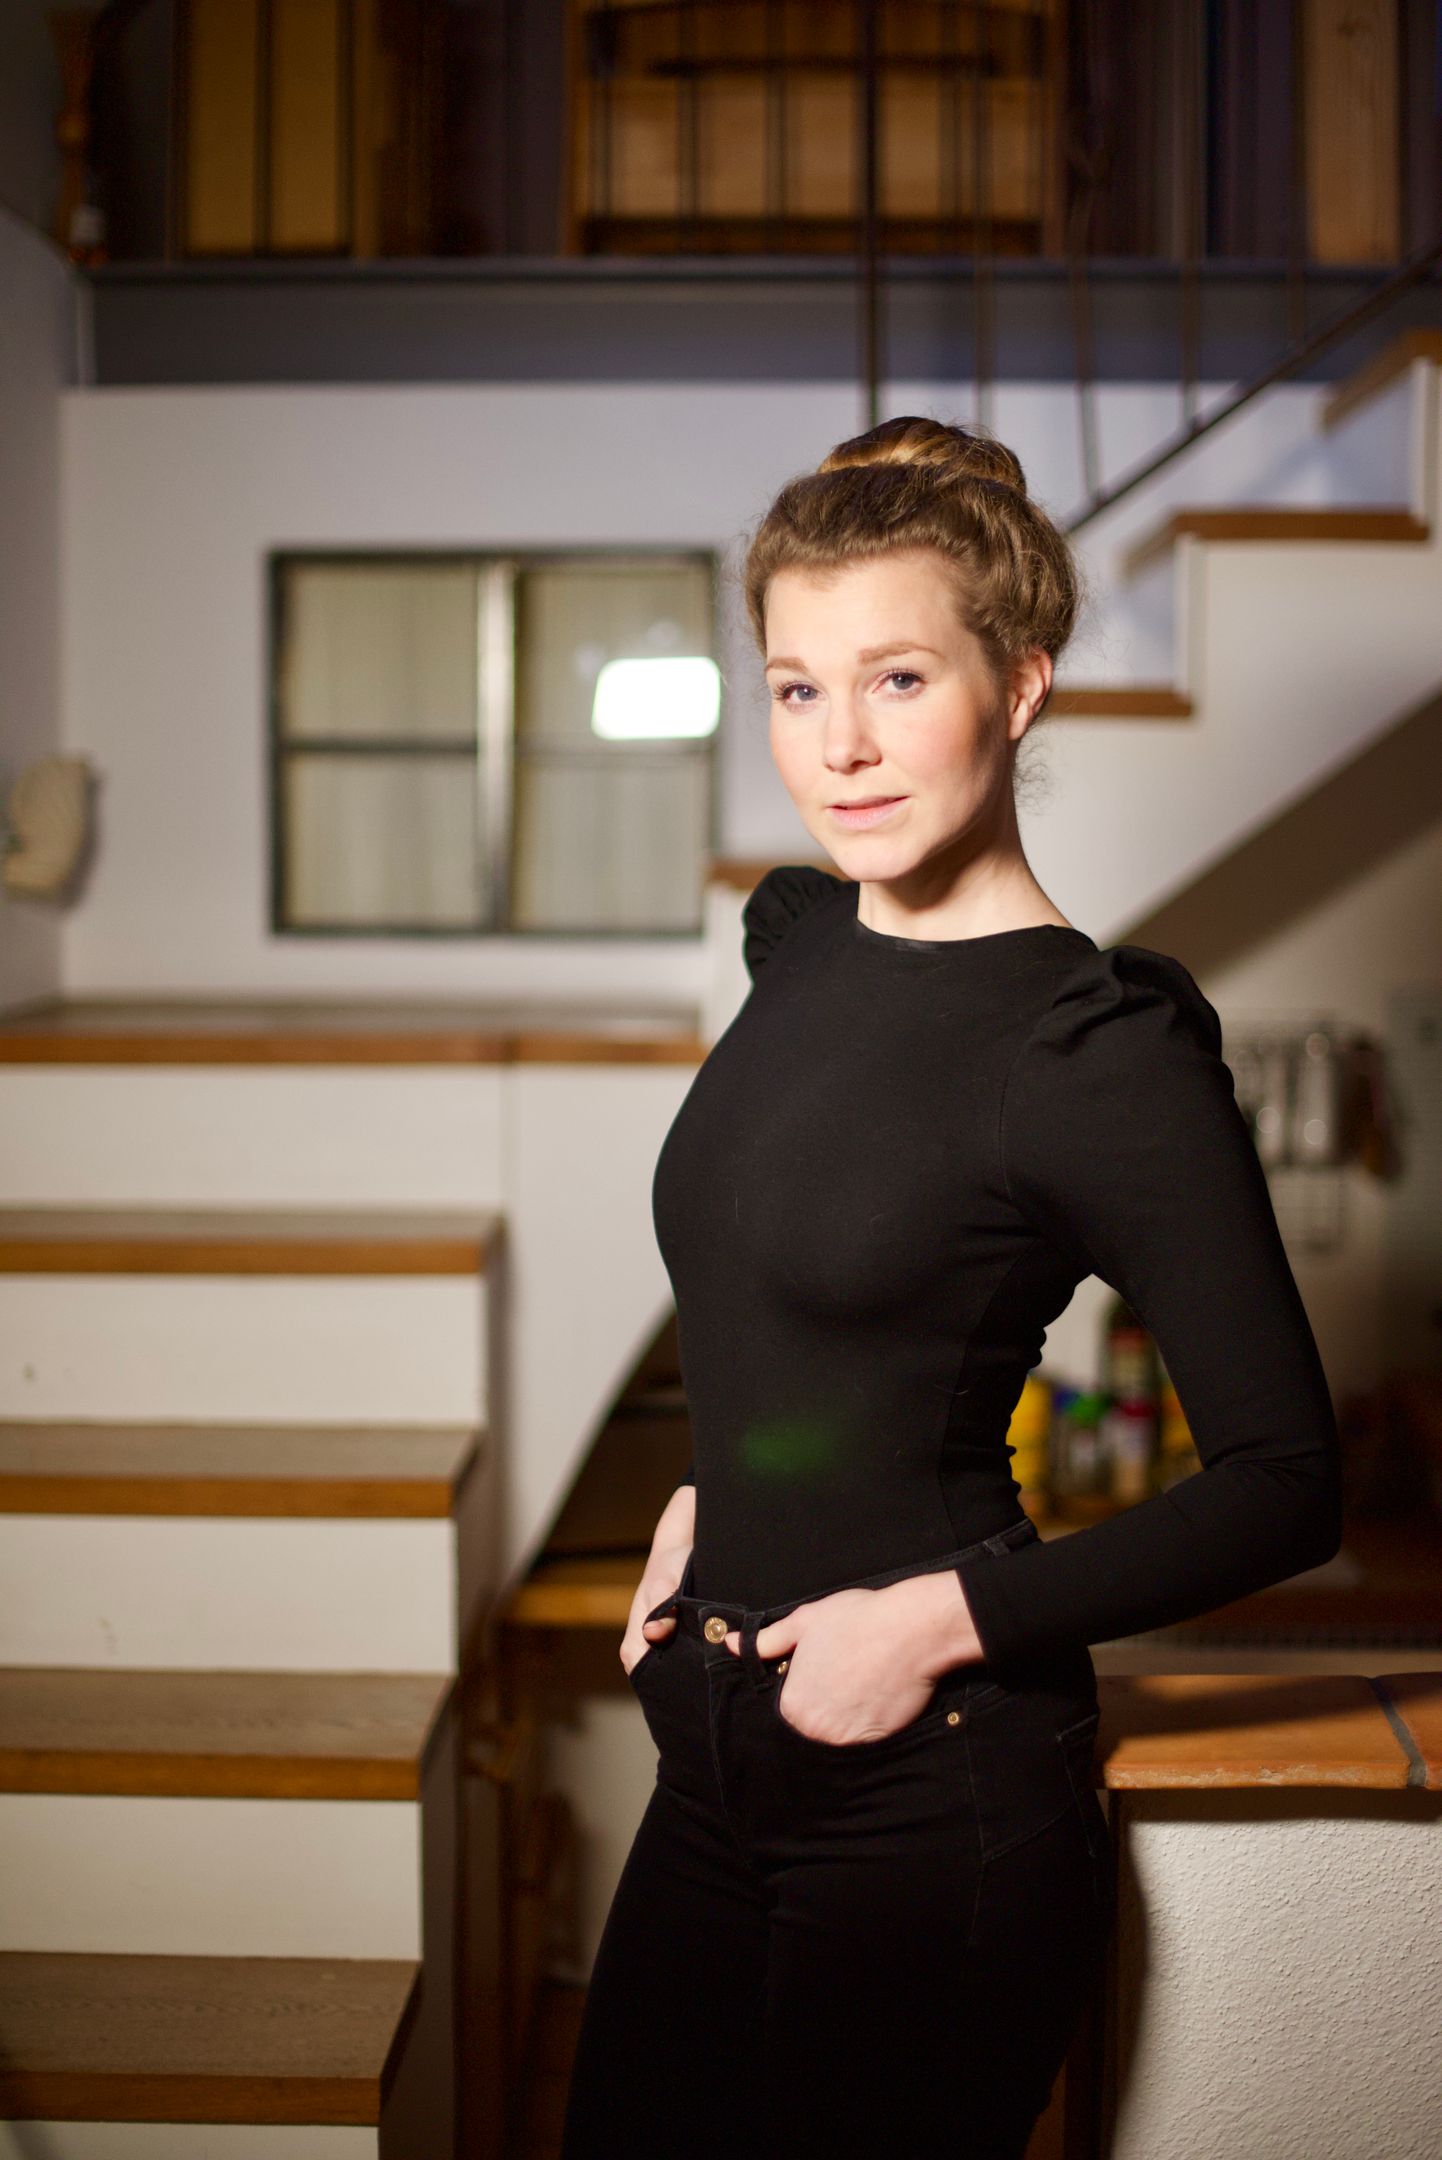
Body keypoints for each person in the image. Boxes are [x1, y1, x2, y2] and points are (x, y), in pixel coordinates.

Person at [558, 416, 1343, 2160]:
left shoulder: (1093, 1053)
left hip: (925, 1807)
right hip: (710, 1766)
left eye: (897, 679)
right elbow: (798, 1296)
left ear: (1019, 685)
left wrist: (931, 1624)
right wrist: (711, 1490)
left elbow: (1286, 1483)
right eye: (795, 688)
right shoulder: (797, 942)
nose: (836, 746)